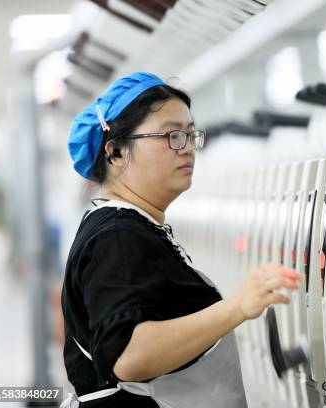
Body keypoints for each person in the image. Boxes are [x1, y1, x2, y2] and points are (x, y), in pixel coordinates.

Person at [60, 72, 302, 407]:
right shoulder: (117, 237)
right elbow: (129, 355)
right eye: (172, 135)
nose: (187, 148)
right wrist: (236, 307)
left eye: (190, 135)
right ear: (115, 152)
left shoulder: (133, 229)